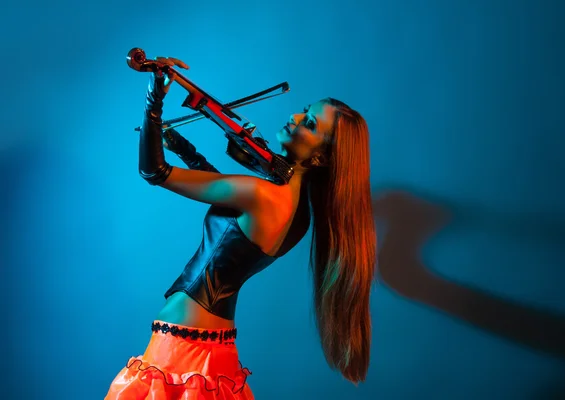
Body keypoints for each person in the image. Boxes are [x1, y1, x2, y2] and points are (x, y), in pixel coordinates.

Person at [105, 56, 377, 399]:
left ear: (321, 157)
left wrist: (154, 101)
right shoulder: (297, 214)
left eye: (308, 123)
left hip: (183, 348)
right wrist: (183, 147)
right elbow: (223, 195)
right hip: (212, 350)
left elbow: (154, 171)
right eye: (304, 111)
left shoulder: (263, 194)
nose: (294, 118)